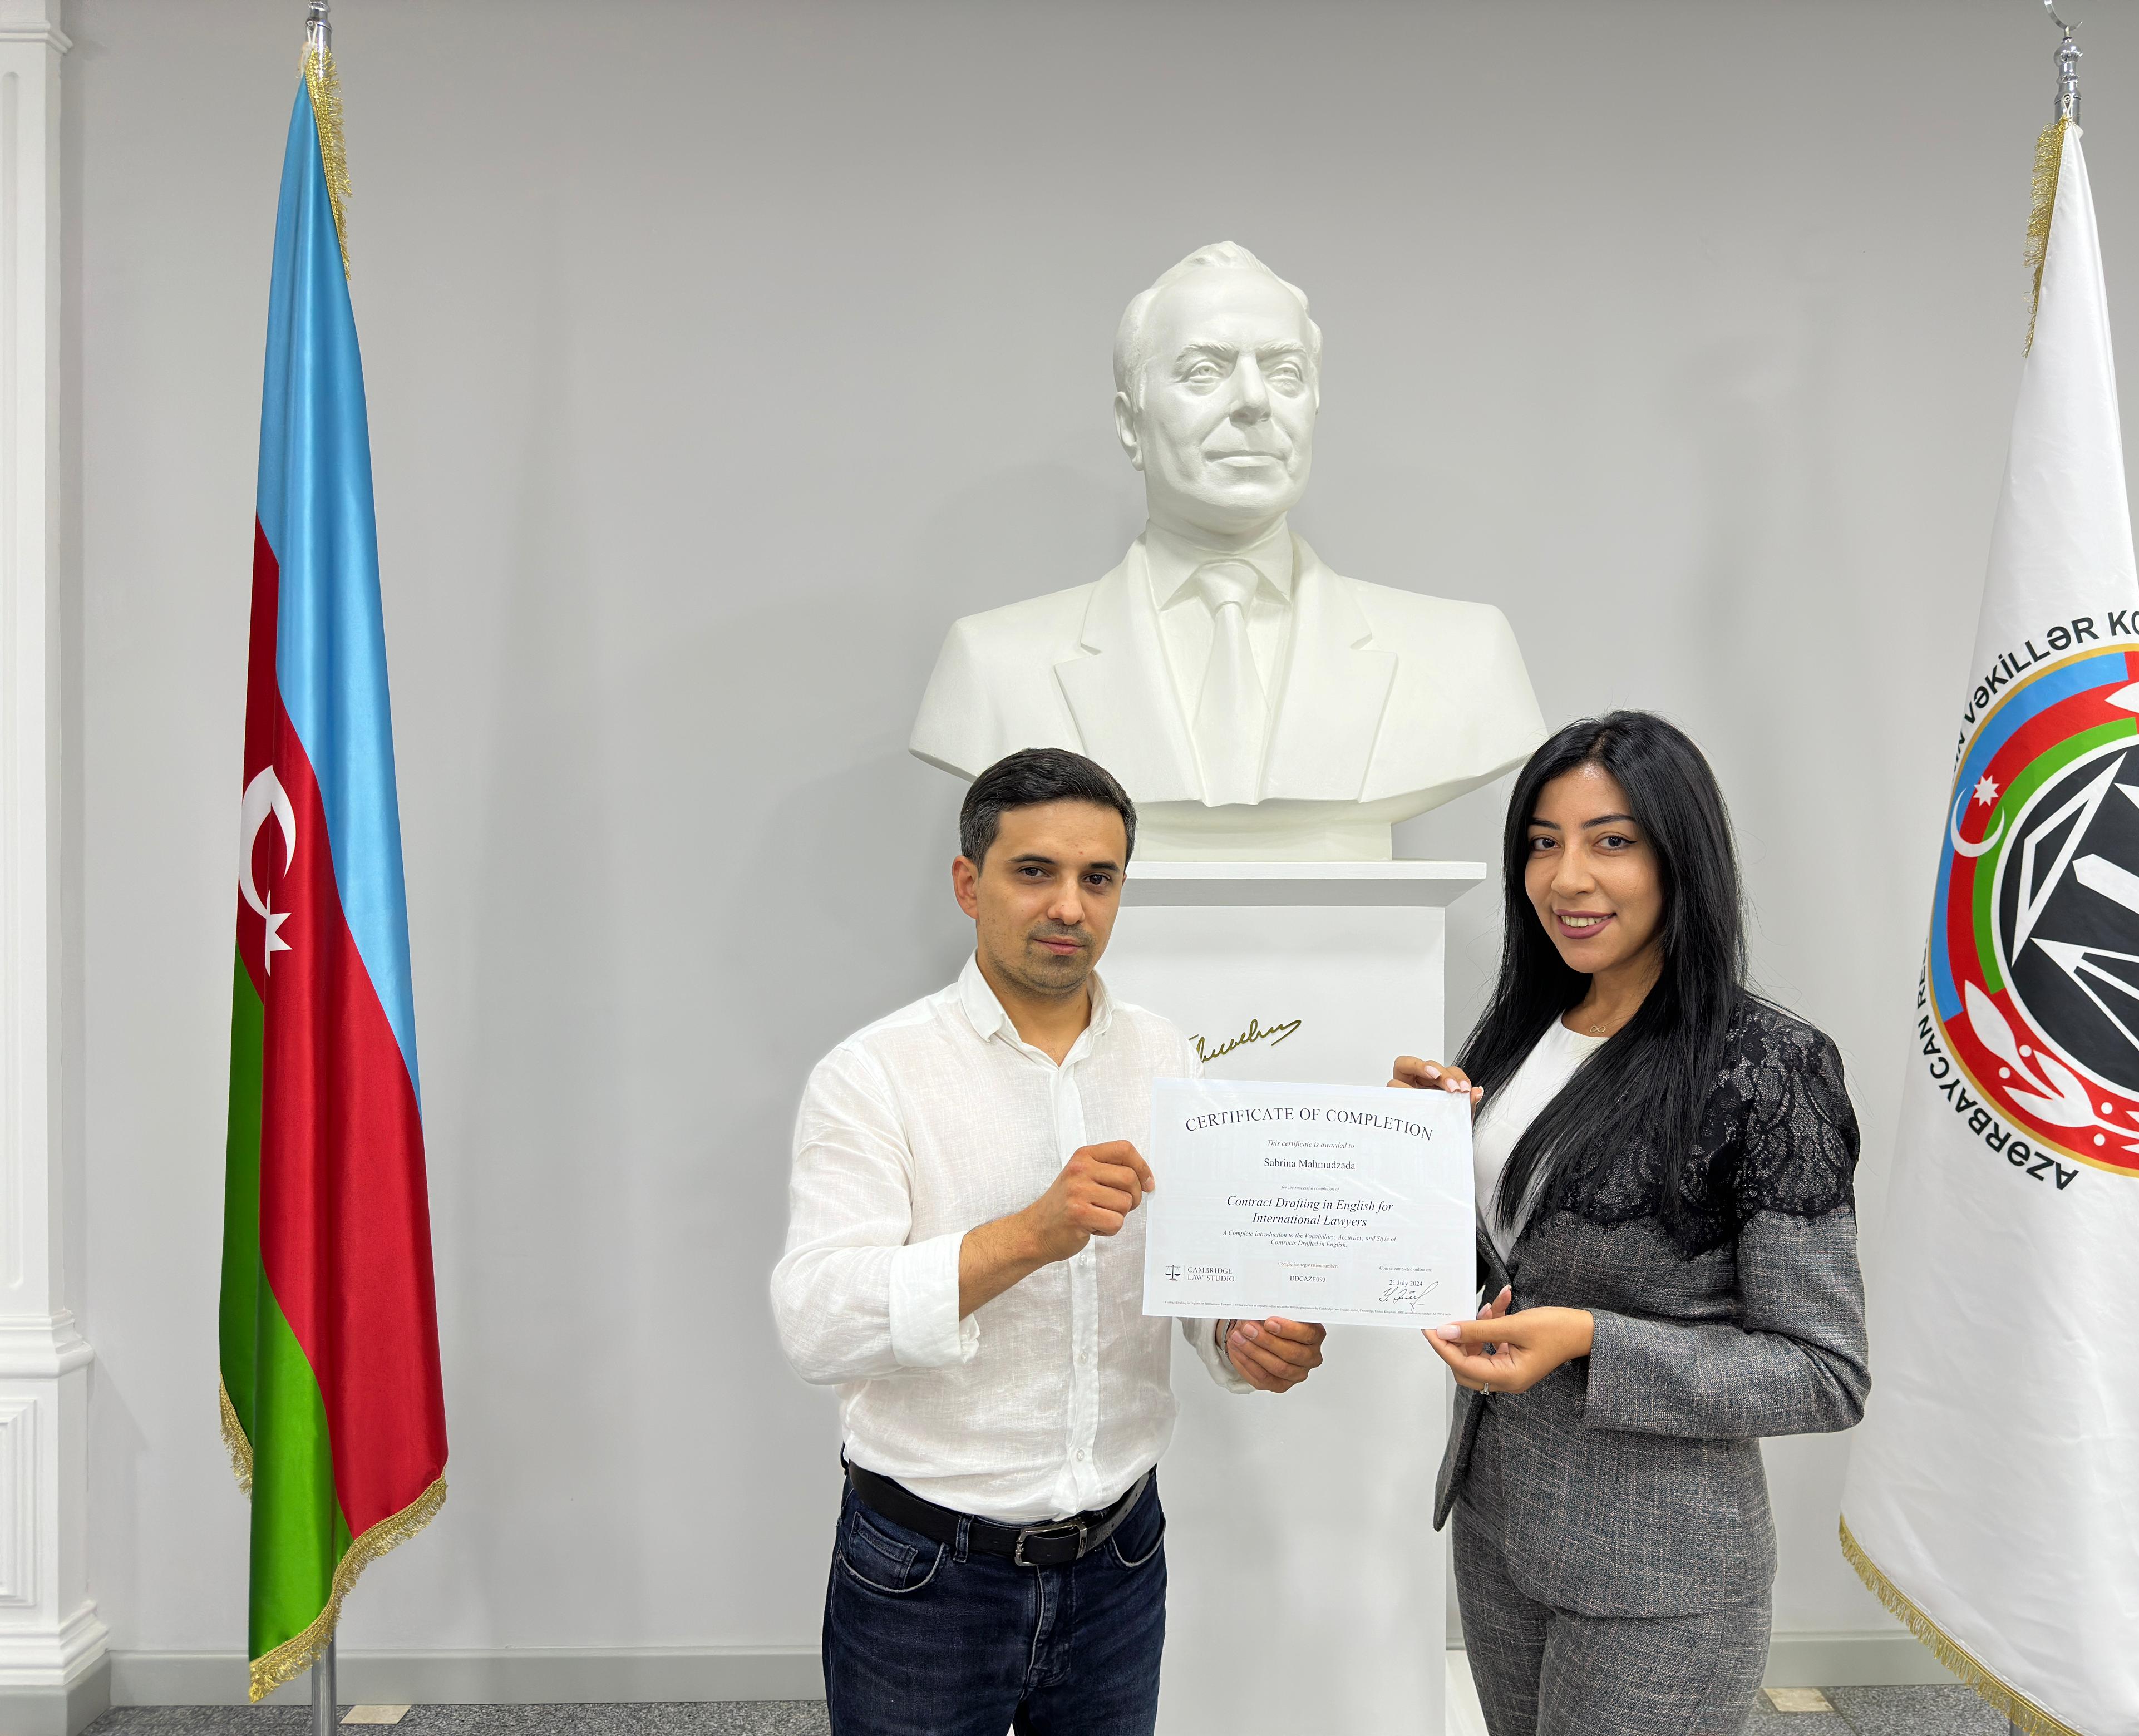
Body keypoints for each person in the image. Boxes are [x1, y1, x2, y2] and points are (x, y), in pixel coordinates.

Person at [772, 746, 1328, 1736]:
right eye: (1035, 872)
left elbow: (1200, 1270)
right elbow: (818, 1325)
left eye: (1098, 878)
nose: (1070, 906)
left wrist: (1241, 1338)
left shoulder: (1165, 1056)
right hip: (926, 1574)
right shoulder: (874, 1075)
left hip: (1121, 1558)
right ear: (968, 884)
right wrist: (1029, 1235)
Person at [1393, 711, 1869, 1736]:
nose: (1567, 879)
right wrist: (1408, 1150)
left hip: (1662, 1570)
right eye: (1543, 842)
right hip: (1500, 1524)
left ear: (1679, 856)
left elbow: (1823, 1372)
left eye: (1611, 841)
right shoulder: (1524, 1032)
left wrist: (1590, 1340)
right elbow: (1508, 1263)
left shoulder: (1767, 1068)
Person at [909, 241, 1542, 859]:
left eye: (1285, 373)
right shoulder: (992, 663)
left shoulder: (1467, 654)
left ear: (1314, 407)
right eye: (1204, 372)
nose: (1254, 402)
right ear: (1130, 424)